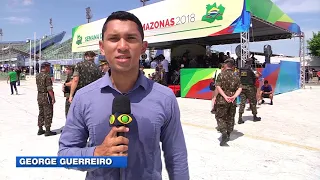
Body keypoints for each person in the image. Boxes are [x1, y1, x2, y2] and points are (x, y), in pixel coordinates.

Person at [58, 11, 189, 180]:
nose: (122, 46)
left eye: (131, 38)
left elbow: (176, 156)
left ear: (143, 47)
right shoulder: (83, 98)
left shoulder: (165, 98)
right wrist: (97, 154)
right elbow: (65, 153)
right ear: (102, 47)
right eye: (113, 38)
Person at [215, 59, 242, 146]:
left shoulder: (221, 74)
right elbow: (240, 88)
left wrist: (225, 96)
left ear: (226, 65)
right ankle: (229, 133)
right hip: (232, 101)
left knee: (220, 117)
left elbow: (218, 87)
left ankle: (223, 133)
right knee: (231, 117)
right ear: (232, 66)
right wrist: (234, 96)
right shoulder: (236, 76)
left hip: (223, 100)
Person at [238, 58, 261, 124]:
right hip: (250, 88)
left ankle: (240, 118)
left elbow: (239, 77)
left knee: (242, 103)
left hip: (242, 87)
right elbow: (255, 77)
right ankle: (255, 116)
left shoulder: (241, 69)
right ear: (250, 62)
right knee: (253, 102)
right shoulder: (250, 69)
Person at [36, 62, 56, 136]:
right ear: (46, 67)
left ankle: (40, 129)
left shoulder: (37, 75)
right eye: (49, 67)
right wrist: (53, 98)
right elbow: (49, 89)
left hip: (39, 95)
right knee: (48, 113)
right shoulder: (47, 76)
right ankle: (48, 130)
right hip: (46, 96)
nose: (49, 68)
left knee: (41, 112)